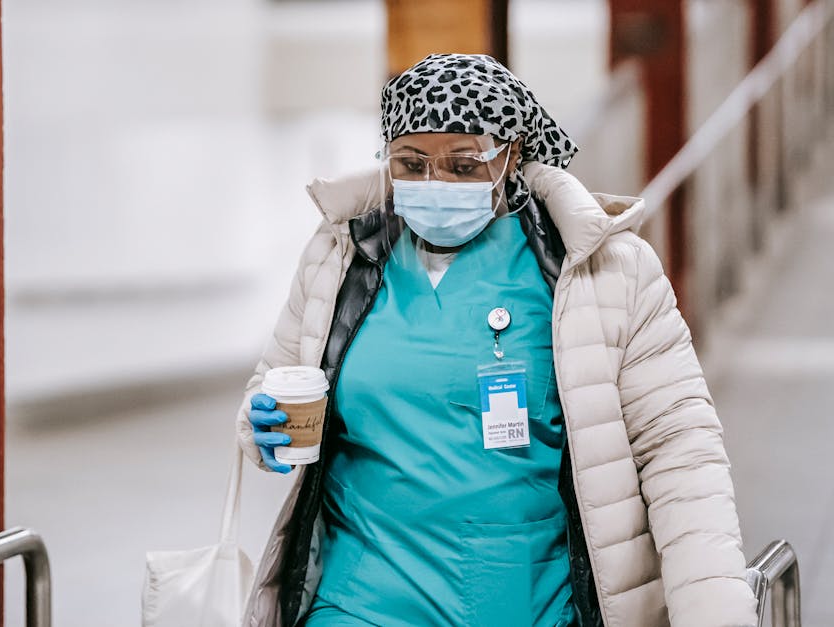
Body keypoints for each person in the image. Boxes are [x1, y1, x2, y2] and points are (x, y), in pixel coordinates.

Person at [234, 54, 757, 627]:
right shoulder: (339, 257)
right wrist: (262, 425)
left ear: (511, 154)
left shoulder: (603, 272)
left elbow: (679, 449)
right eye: (410, 163)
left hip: (532, 606)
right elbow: (276, 383)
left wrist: (715, 612)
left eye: (462, 166)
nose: (433, 184)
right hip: (361, 604)